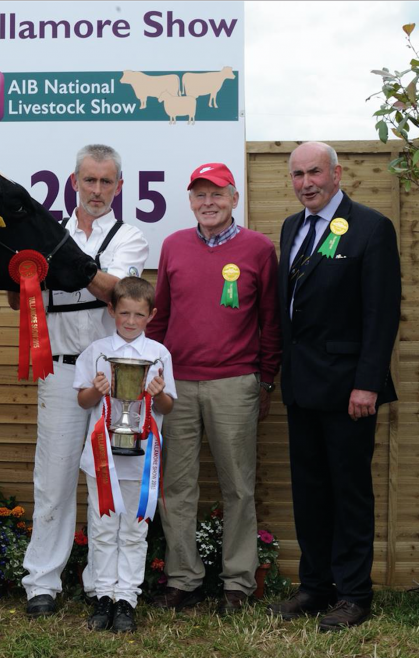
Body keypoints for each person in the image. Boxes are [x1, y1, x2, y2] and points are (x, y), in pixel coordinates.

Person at [10, 144, 149, 616]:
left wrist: (64, 261)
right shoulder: (47, 234)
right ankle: (42, 583)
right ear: (73, 182)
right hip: (60, 371)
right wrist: (28, 276)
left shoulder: (130, 237)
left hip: (118, 378)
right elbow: (18, 300)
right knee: (54, 479)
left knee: (111, 479)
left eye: (105, 182)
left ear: (119, 187)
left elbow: (119, 291)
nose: (96, 190)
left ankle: (103, 584)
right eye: (88, 180)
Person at [268, 142, 400, 631]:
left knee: (349, 494)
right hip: (302, 387)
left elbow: (381, 314)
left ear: (337, 173)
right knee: (309, 492)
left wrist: (367, 383)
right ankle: (315, 587)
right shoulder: (291, 227)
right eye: (298, 174)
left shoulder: (371, 227)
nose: (306, 183)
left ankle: (353, 594)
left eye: (314, 172)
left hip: (349, 393)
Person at [146, 162, 281, 614]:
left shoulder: (259, 249)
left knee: (238, 487)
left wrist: (264, 380)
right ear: (190, 201)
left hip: (235, 383)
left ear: (234, 198)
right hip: (177, 385)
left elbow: (270, 322)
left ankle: (238, 584)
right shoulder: (173, 246)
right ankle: (184, 579)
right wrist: (153, 371)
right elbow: (160, 315)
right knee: (177, 486)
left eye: (217, 194)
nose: (208, 202)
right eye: (199, 195)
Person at [74, 276, 175, 633]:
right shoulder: (97, 352)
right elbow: (82, 400)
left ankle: (127, 599)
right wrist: (97, 391)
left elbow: (167, 406)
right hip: (103, 459)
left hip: (142, 458)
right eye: (124, 313)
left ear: (151, 315)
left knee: (134, 531)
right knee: (102, 528)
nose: (131, 321)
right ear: (111, 311)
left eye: (138, 315)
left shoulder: (159, 354)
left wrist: (159, 392)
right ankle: (103, 596)